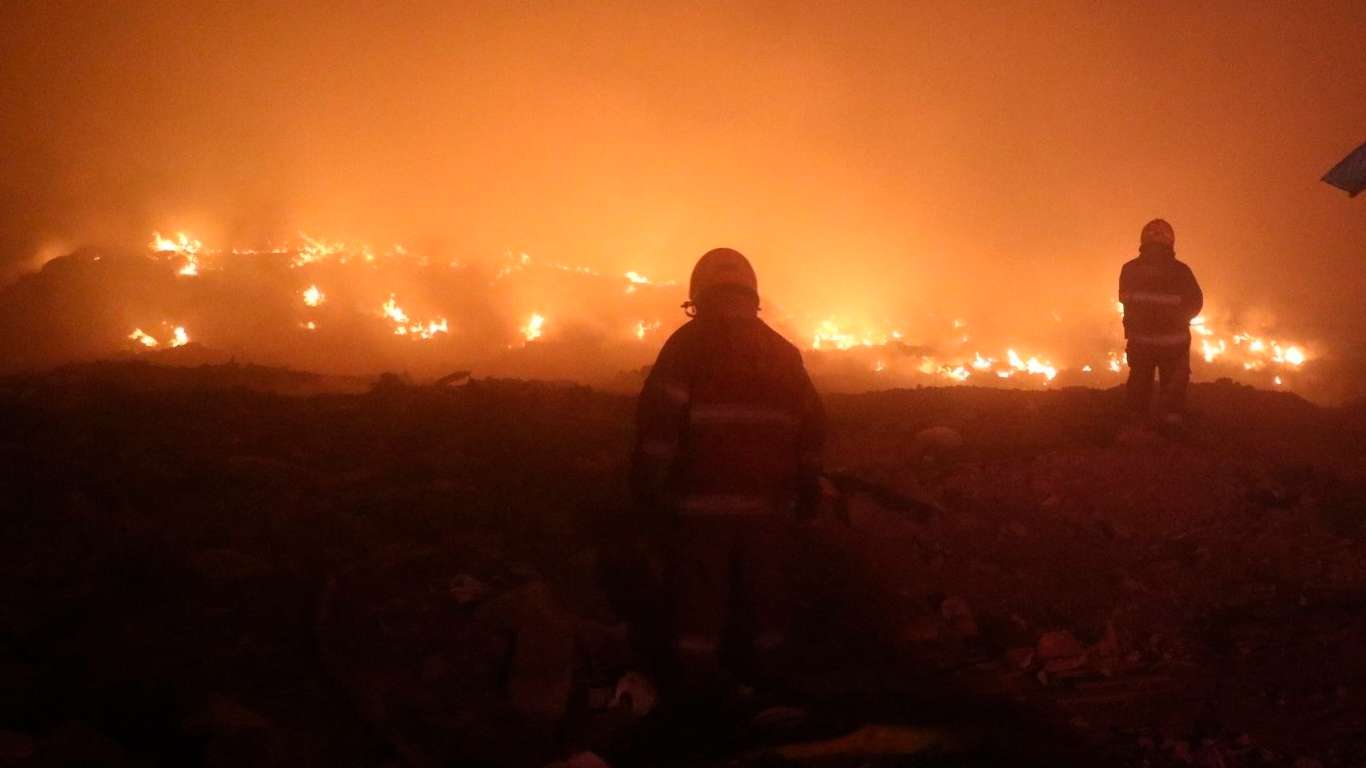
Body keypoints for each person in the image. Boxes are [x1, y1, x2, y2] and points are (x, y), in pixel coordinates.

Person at [631, 247, 825, 707]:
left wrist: (646, 489)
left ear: (699, 295)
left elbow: (659, 428)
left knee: (698, 603)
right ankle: (772, 685)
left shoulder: (686, 347)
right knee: (768, 597)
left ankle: (697, 695)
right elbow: (812, 426)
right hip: (770, 509)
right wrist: (809, 485)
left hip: (701, 510)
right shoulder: (782, 352)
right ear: (752, 294)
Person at [1119, 219, 1203, 428]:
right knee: (1173, 385)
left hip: (1141, 342)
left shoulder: (1129, 269)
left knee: (1139, 383)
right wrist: (1178, 320)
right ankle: (1171, 427)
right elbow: (1196, 303)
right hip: (1174, 344)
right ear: (1171, 241)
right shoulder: (1182, 271)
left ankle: (1136, 427)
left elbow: (1124, 298)